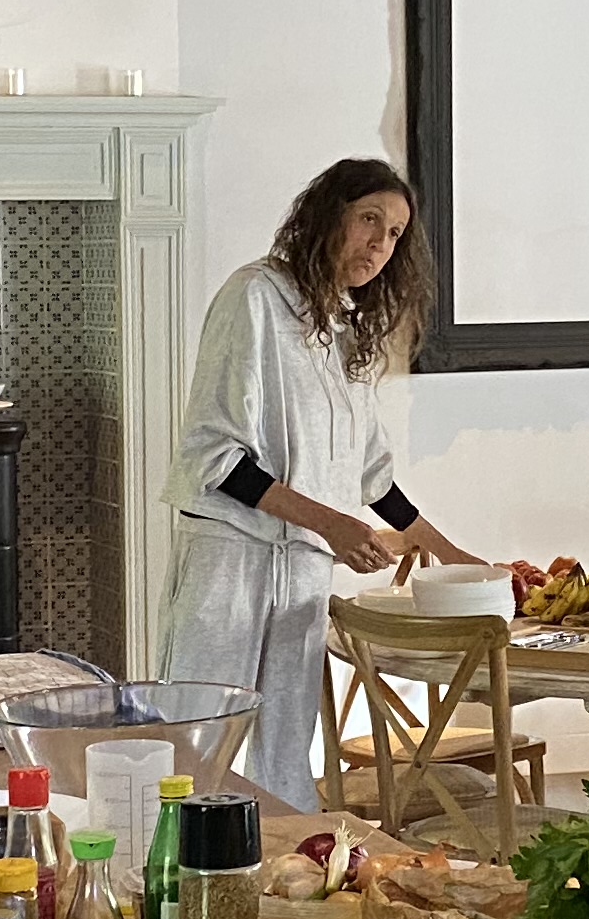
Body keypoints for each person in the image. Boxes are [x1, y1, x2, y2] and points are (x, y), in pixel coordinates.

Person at [160, 157, 478, 805]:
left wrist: (453, 557)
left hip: (302, 567)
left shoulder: (343, 331)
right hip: (231, 556)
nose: (380, 244)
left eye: (394, 234)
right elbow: (217, 458)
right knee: (196, 738)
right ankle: (175, 861)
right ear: (328, 215)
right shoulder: (254, 298)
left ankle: (284, 862)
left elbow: (372, 478)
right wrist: (331, 524)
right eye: (369, 220)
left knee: (286, 751)